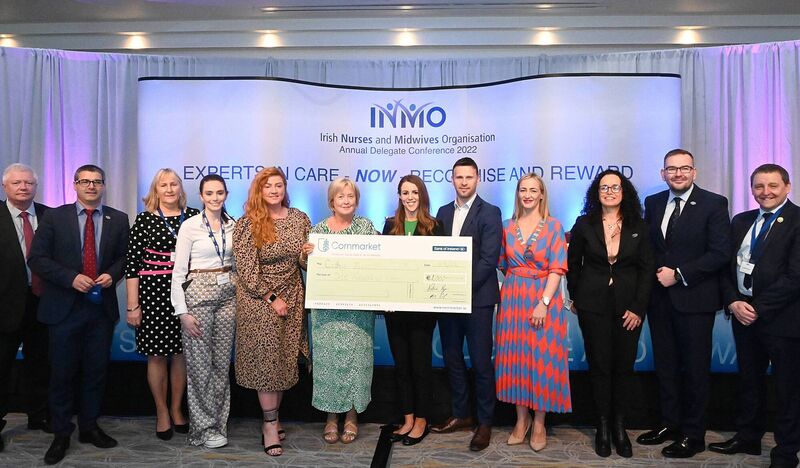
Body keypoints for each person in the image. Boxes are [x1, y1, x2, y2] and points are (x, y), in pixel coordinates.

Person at [28, 164, 130, 465]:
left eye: (97, 182)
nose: (91, 186)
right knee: (62, 373)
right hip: (63, 308)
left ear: (104, 185)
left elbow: (127, 257)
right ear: (74, 184)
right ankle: (61, 432)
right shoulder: (54, 217)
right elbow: (37, 259)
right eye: (85, 181)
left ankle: (89, 427)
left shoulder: (118, 218)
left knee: (96, 372)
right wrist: (70, 277)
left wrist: (112, 274)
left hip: (100, 310)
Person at [638, 148, 730, 458]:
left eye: (684, 168)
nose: (678, 173)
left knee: (694, 370)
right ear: (662, 173)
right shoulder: (652, 203)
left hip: (695, 300)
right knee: (665, 367)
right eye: (672, 169)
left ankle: (694, 435)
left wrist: (678, 274)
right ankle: (670, 424)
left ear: (694, 172)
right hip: (659, 301)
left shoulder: (714, 203)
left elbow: (720, 253)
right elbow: (649, 249)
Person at [709, 164, 800, 468]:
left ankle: (786, 452)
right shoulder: (741, 220)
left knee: (788, 388)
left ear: (787, 187)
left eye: (773, 185)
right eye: (759, 186)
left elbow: (795, 276)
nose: (766, 192)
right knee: (749, 381)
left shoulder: (798, 221)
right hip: (742, 314)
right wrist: (734, 301)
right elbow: (725, 266)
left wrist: (757, 307)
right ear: (752, 190)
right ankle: (748, 436)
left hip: (783, 320)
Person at [567, 169, 654, 458]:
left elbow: (646, 270)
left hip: (629, 309)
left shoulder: (638, 224)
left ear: (624, 191)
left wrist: (638, 308)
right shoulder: (583, 224)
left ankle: (620, 427)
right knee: (600, 367)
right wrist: (578, 297)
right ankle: (602, 427)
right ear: (597, 192)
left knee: (623, 368)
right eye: (604, 187)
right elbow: (574, 266)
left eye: (615, 187)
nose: (609, 191)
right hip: (593, 308)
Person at [233, 167, 310, 457]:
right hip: (259, 300)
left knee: (282, 362)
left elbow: (303, 262)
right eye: (268, 186)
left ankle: (274, 417)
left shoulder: (299, 218)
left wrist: (307, 254)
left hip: (292, 297)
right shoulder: (248, 223)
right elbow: (247, 271)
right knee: (266, 364)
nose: (274, 190)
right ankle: (269, 425)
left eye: (279, 185)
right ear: (259, 191)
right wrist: (272, 297)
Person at [430, 157, 502, 452]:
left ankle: (485, 422)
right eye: (458, 177)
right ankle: (461, 414)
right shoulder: (442, 212)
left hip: (477, 299)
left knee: (482, 362)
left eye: (468, 177)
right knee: (452, 358)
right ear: (452, 179)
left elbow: (489, 259)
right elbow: (434, 254)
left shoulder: (491, 212)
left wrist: (461, 288)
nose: (463, 182)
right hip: (447, 301)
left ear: (477, 178)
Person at [495, 173, 570, 453]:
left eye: (533, 190)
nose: (527, 194)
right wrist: (517, 286)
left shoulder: (553, 226)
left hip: (543, 299)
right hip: (513, 298)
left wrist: (544, 301)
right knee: (515, 358)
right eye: (522, 189)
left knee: (542, 360)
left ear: (542, 195)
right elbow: (504, 265)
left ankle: (539, 423)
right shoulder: (506, 226)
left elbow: (557, 268)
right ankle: (521, 420)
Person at [301, 178, 376, 445]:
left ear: (356, 200)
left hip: (358, 310)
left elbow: (380, 261)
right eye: (340, 196)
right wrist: (305, 255)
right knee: (330, 364)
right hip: (327, 311)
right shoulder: (317, 231)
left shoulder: (366, 227)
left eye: (350, 196)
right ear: (331, 201)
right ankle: (331, 417)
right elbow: (309, 267)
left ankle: (352, 416)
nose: (346, 200)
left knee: (356, 362)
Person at [125, 168, 197, 440]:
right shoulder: (144, 220)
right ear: (155, 190)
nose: (168, 189)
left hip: (188, 293)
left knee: (181, 355)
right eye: (163, 185)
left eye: (173, 184)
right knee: (156, 356)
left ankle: (177, 409)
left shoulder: (193, 217)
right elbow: (132, 266)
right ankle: (161, 412)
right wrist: (133, 306)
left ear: (180, 188)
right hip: (153, 296)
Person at [170, 174, 236, 449]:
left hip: (228, 295)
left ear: (226, 194)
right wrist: (182, 312)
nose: (215, 198)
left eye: (219, 192)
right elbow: (178, 272)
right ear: (201, 196)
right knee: (199, 366)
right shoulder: (190, 226)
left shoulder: (234, 226)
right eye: (209, 193)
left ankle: (218, 423)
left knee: (221, 365)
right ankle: (203, 428)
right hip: (198, 293)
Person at [381, 175, 444, 446]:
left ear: (422, 196)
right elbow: (382, 264)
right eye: (405, 192)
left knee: (420, 367)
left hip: (422, 311)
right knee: (402, 367)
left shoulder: (435, 227)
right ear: (399, 195)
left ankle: (422, 420)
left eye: (414, 192)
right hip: (394, 309)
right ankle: (407, 418)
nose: (409, 197)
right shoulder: (390, 225)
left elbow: (439, 267)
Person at [0, 163, 51, 452]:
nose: (23, 187)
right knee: (2, 366)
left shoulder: (49, 215)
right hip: (5, 305)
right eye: (17, 182)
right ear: (5, 186)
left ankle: (39, 415)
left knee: (40, 364)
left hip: (43, 303)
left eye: (29, 183)